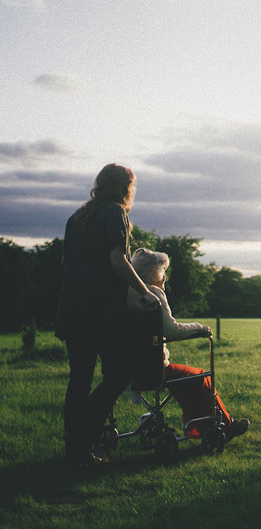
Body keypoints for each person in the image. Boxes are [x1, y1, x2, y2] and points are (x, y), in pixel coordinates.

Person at [56, 163, 160, 467]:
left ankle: (74, 447)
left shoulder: (77, 217)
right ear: (125, 187)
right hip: (99, 313)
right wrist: (145, 290)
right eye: (133, 185)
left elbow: (66, 262)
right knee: (118, 374)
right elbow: (118, 260)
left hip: (72, 309)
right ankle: (81, 440)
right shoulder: (115, 213)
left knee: (80, 379)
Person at [126, 248, 249, 442]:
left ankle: (202, 426)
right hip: (153, 368)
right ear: (153, 273)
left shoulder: (127, 294)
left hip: (128, 367)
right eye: (163, 272)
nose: (165, 278)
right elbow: (172, 331)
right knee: (199, 377)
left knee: (186, 379)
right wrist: (200, 328)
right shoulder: (153, 294)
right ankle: (222, 426)